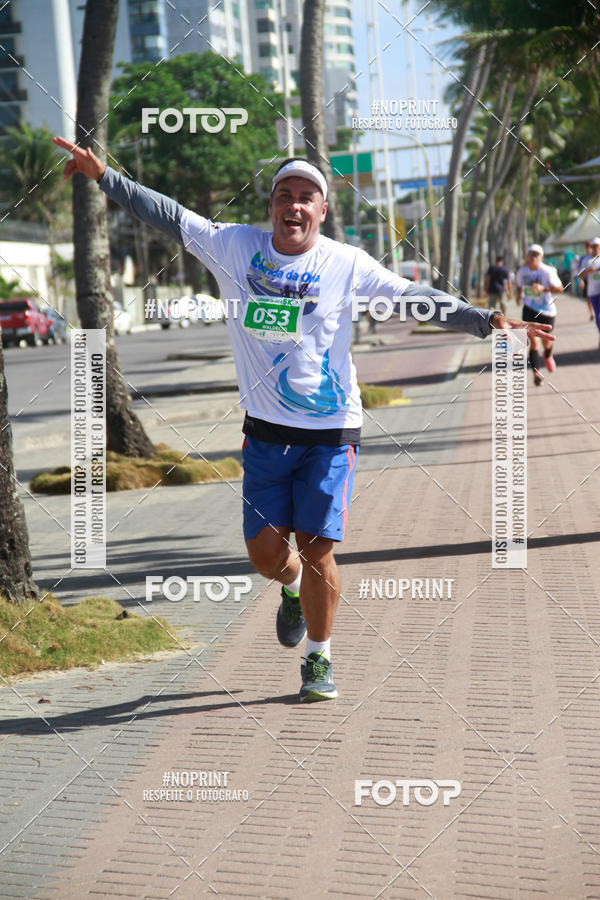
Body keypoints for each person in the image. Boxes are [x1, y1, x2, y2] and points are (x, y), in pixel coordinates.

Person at [53, 136, 554, 702]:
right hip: (266, 433)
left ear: (320, 210)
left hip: (332, 431)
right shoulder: (233, 247)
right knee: (268, 556)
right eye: (284, 195)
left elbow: (414, 296)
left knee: (317, 547)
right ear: (271, 206)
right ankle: (289, 586)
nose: (294, 205)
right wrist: (104, 176)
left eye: (306, 197)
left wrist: (486, 322)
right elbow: (167, 214)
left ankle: (319, 658)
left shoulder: (345, 263)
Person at [515, 244, 563, 386]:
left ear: (541, 257)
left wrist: (544, 288)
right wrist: (518, 295)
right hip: (529, 309)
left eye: (536, 255)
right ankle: (536, 374)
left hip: (547, 311)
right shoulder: (522, 271)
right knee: (534, 342)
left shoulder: (547, 271)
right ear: (527, 256)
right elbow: (519, 285)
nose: (533, 257)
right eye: (531, 254)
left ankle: (548, 355)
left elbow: (560, 289)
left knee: (545, 341)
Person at [580, 236, 600, 346]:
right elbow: (580, 275)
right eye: (594, 247)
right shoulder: (587, 260)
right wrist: (588, 271)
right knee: (598, 316)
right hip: (593, 291)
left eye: (598, 247)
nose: (596, 249)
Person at [578, 239, 596, 320]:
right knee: (589, 297)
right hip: (587, 280)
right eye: (587, 247)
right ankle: (591, 313)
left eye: (590, 247)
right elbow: (580, 271)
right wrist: (581, 281)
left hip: (596, 281)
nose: (589, 248)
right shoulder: (584, 258)